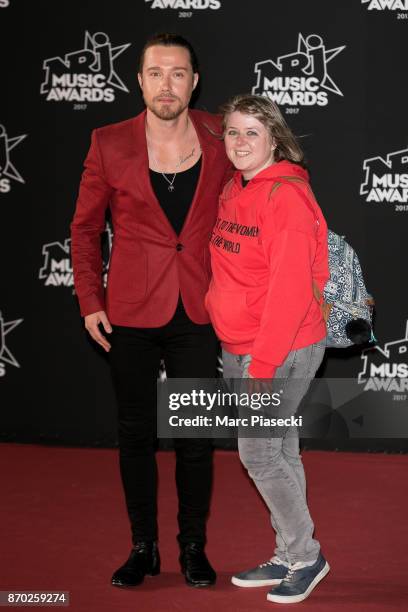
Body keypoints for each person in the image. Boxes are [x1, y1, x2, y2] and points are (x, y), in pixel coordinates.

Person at [70, 33, 231, 588]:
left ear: (194, 81)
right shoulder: (108, 142)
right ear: (139, 81)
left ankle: (193, 547)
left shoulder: (220, 133)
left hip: (199, 308)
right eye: (156, 73)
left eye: (179, 73)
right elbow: (86, 228)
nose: (168, 84)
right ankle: (144, 547)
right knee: (136, 433)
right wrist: (90, 299)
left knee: (193, 436)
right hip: (131, 311)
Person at [205, 94, 330, 604]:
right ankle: (288, 551)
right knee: (280, 450)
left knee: (258, 452)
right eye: (232, 132)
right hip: (241, 344)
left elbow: (291, 292)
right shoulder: (236, 187)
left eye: (251, 132)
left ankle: (306, 555)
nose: (239, 142)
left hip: (281, 348)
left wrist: (262, 363)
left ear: (275, 138)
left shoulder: (287, 198)